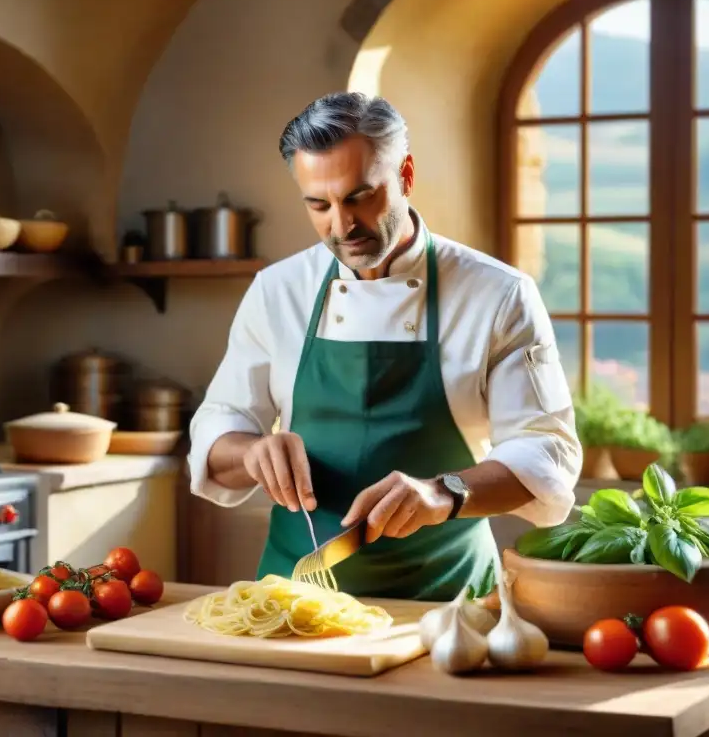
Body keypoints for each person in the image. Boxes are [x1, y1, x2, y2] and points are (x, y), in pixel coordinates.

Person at [186, 91, 582, 601]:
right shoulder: (277, 290)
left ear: (406, 176)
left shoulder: (497, 293)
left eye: (359, 197)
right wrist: (253, 452)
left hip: (449, 599)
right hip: (292, 597)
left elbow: (546, 449)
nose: (341, 225)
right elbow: (218, 431)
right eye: (318, 205)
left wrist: (445, 493)